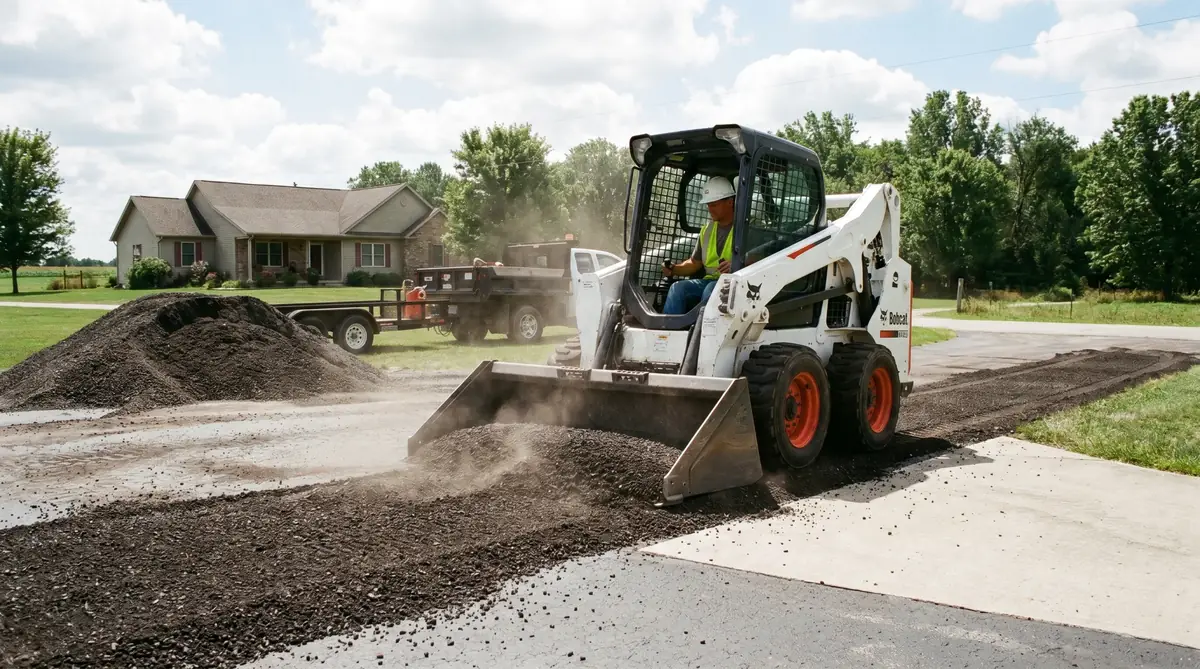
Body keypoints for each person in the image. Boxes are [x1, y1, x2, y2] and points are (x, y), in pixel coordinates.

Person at [661, 175, 737, 314]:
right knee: (677, 288)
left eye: (714, 204)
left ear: (730, 202)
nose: (710, 209)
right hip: (710, 282)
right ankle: (666, 331)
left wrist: (736, 264)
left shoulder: (746, 228)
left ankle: (701, 333)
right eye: (708, 205)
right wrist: (674, 269)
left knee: (711, 290)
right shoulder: (707, 230)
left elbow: (759, 258)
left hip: (736, 284)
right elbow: (695, 263)